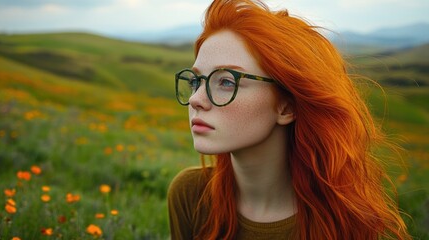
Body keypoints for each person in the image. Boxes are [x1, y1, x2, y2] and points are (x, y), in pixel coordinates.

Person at [167, 0, 411, 239]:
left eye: (227, 82)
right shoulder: (191, 195)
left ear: (286, 107)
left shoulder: (339, 221)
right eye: (195, 81)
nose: (196, 99)